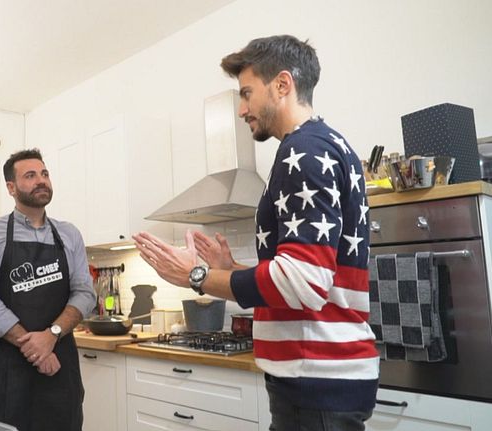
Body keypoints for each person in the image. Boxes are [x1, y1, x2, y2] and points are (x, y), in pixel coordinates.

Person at [133, 35, 379, 431]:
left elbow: (303, 282)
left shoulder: (303, 152)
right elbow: (311, 274)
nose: (242, 109)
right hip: (322, 377)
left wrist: (196, 276)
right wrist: (230, 269)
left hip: (315, 378)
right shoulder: (328, 144)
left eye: (246, 93)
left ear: (282, 84)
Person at [0, 148, 96, 431]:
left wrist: (51, 335)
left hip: (59, 363)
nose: (41, 180)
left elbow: (85, 292)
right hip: (5, 367)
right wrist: (35, 347)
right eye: (30, 175)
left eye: (44, 174)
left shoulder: (69, 234)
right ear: (11, 188)